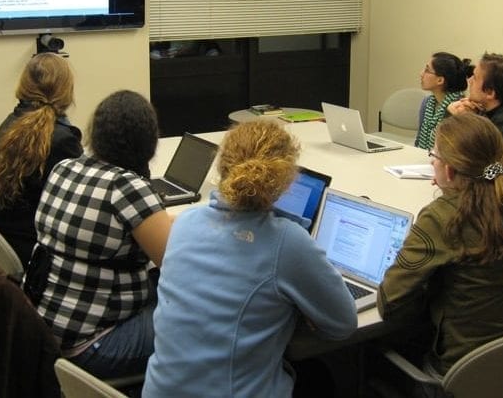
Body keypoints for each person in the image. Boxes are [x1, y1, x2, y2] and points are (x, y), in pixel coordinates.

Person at [142, 120, 357, 397]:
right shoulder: (287, 241)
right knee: (322, 377)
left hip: (159, 391)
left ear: (221, 168)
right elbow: (342, 324)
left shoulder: (185, 222)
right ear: (287, 179)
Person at [378, 114, 503, 379]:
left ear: (450, 170)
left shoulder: (442, 217)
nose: (432, 161)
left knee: (368, 353)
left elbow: (389, 302)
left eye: (435, 156)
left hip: (467, 372)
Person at [26, 90, 172, 379]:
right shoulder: (128, 187)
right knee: (207, 318)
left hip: (46, 327)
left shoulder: (65, 168)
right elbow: (179, 268)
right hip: (94, 346)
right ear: (148, 141)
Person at [0, 53, 82, 268]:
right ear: (67, 89)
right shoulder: (62, 139)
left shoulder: (10, 124)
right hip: (38, 247)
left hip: (11, 230)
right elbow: (79, 205)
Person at [414, 52, 474, 150]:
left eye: (426, 70)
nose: (421, 74)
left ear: (440, 80)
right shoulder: (427, 102)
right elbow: (419, 139)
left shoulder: (459, 108)